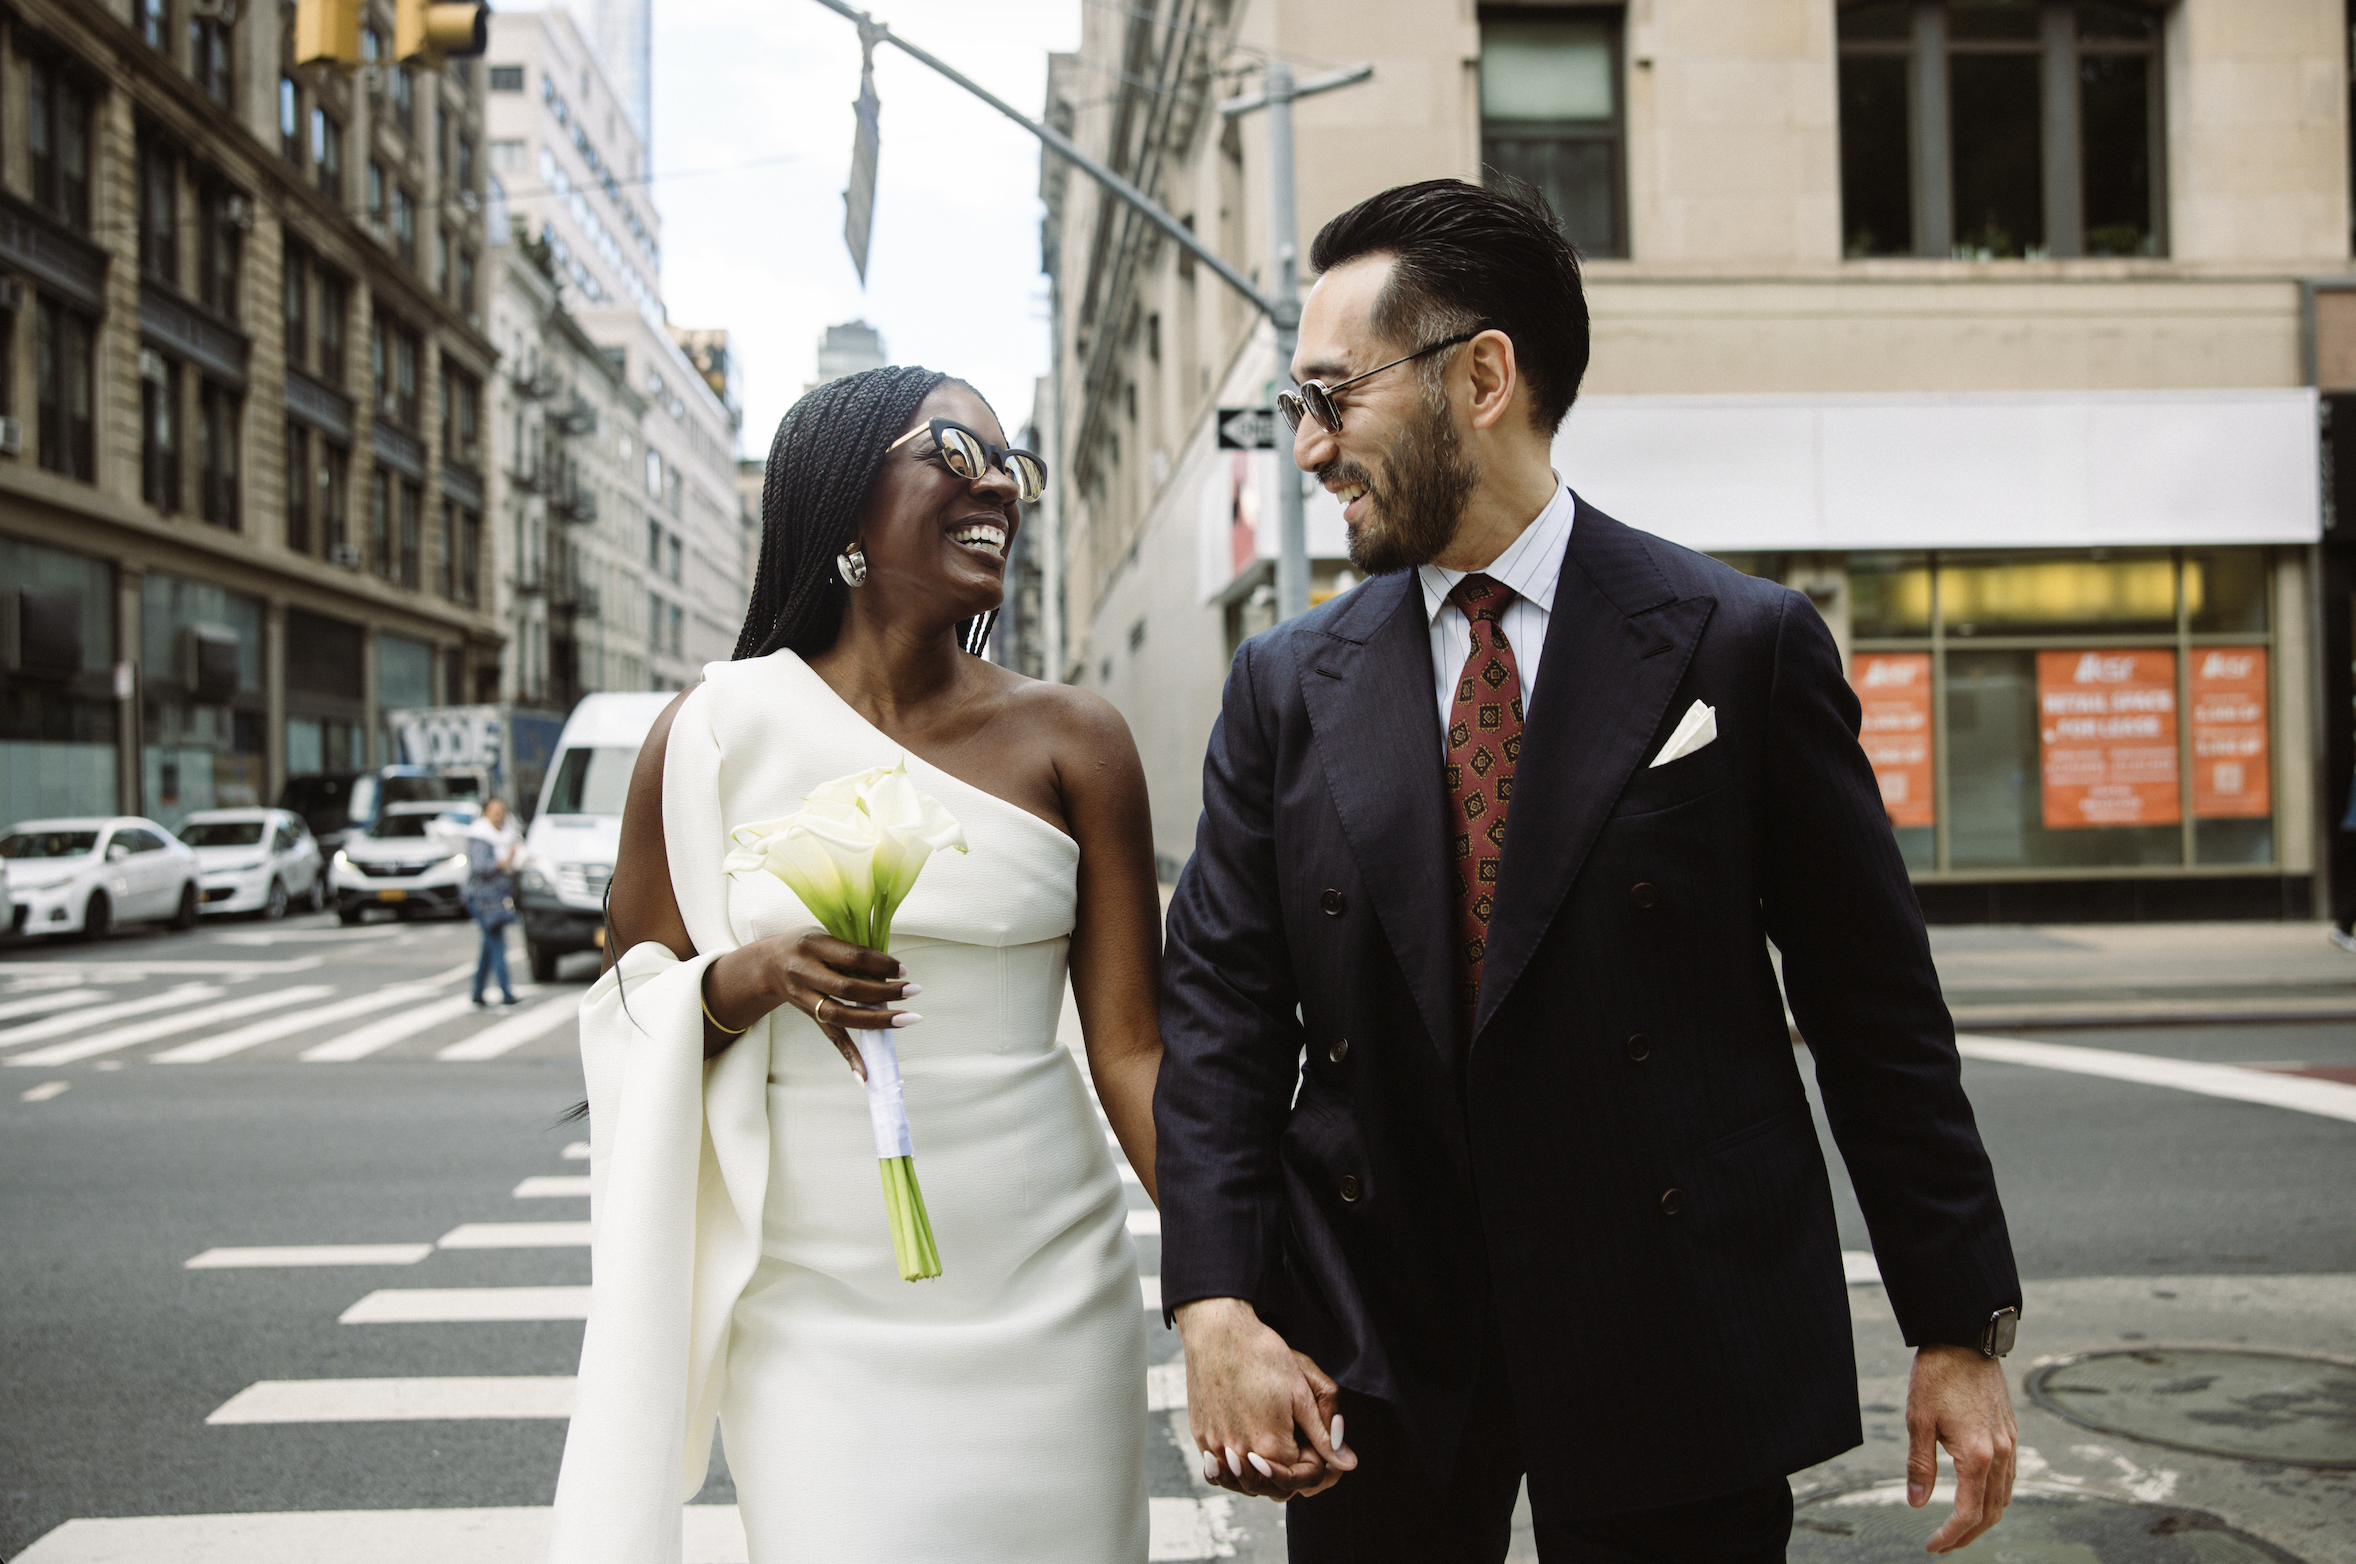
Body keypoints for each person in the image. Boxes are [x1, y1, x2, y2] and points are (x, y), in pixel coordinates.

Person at [1156, 179, 2024, 1563]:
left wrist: (1957, 1324)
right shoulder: (1282, 685)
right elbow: (1219, 1025)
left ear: (1482, 376)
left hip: (1674, 1317)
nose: (1310, 449)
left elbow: (1875, 1015)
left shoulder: (1737, 643)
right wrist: (1216, 1307)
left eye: (1333, 396)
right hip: (1373, 1342)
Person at [549, 366, 1167, 1564]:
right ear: (838, 498)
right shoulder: (710, 734)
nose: (996, 484)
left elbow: (1133, 1048)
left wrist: (1231, 1280)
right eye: (952, 450)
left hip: (1049, 1291)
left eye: (1011, 463)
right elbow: (629, 1007)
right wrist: (752, 975)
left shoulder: (1074, 738)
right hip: (813, 1312)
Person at [464, 799, 522, 1008]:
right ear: (485, 813)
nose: (499, 816)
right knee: (497, 943)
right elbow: (481, 867)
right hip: (482, 899)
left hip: (498, 897)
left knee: (489, 946)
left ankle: (478, 992)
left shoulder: (507, 835)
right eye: (495, 812)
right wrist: (506, 862)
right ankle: (506, 992)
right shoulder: (480, 836)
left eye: (503, 812)